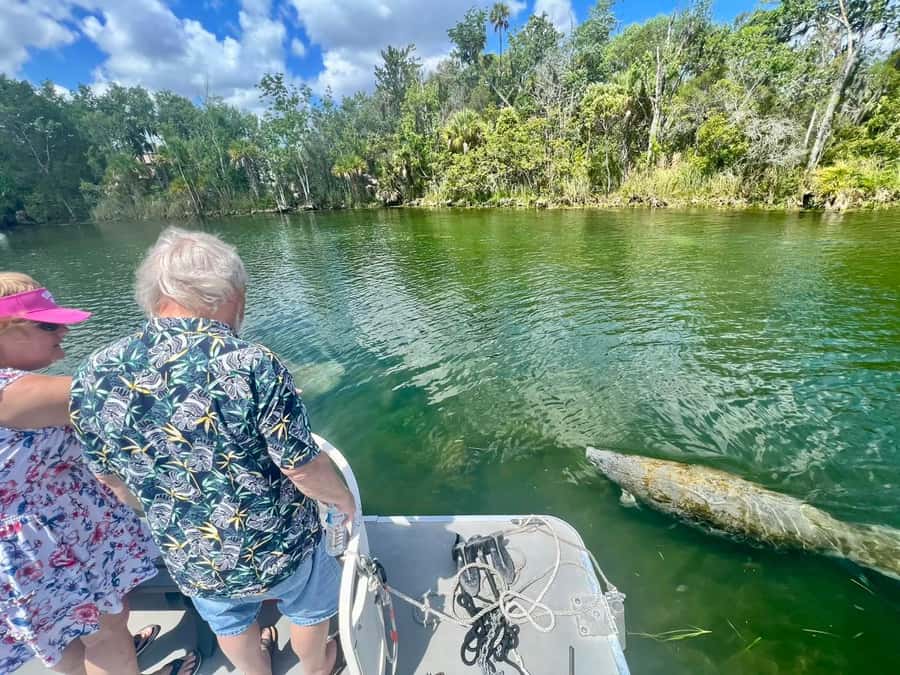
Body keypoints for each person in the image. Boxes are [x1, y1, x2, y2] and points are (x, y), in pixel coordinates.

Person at [70, 228, 356, 675]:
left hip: (190, 552)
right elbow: (300, 467)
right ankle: (318, 667)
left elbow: (108, 476)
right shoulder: (251, 362)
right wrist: (342, 500)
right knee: (306, 608)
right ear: (228, 292)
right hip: (279, 546)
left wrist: (164, 512)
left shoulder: (94, 372)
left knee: (229, 621)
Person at [0, 272, 200, 675]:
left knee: (61, 637)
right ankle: (116, 661)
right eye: (48, 324)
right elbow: (127, 395)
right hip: (50, 543)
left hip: (25, 549)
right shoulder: (13, 394)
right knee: (105, 630)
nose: (64, 331)